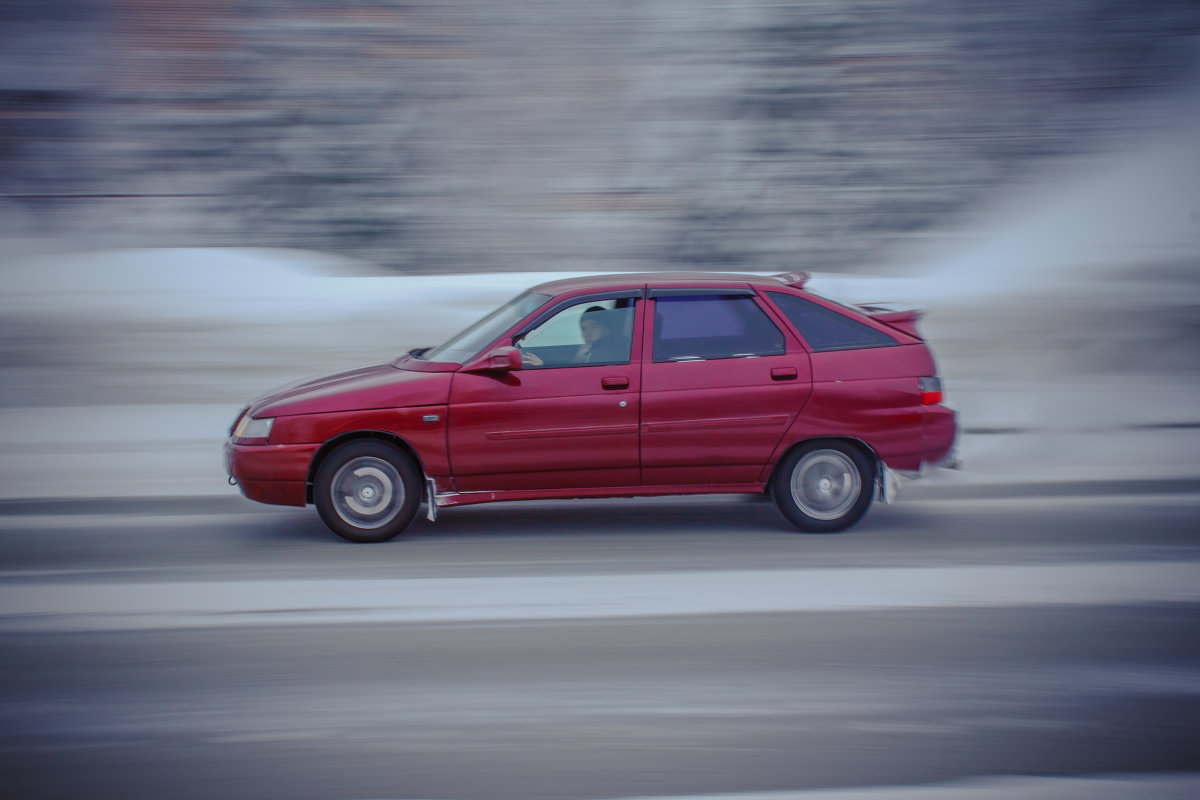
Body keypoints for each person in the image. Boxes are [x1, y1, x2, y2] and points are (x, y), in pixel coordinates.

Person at [521, 306, 628, 366]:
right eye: (583, 329)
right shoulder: (594, 350)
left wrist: (542, 366)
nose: (587, 334)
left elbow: (576, 383)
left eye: (594, 327)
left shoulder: (607, 353)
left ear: (608, 328)